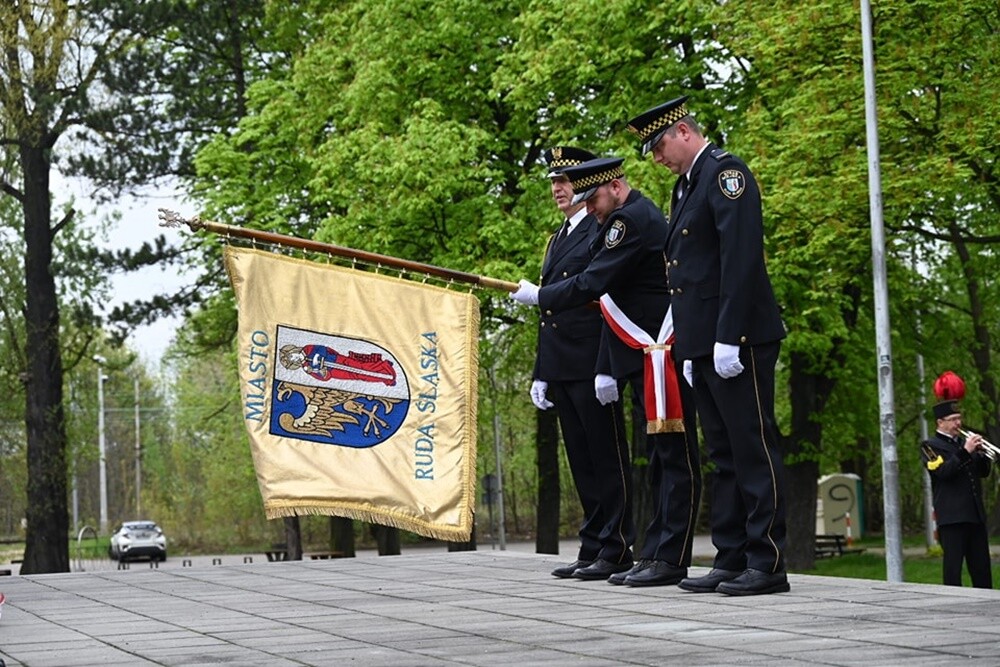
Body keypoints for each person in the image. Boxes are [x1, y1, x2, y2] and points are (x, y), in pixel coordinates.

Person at [511, 156, 702, 586]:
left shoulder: (627, 221)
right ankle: (656, 552)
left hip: (658, 352)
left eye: (592, 197)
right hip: (641, 354)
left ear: (615, 186)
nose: (590, 209)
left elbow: (592, 284)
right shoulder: (619, 218)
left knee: (672, 457)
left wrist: (540, 295)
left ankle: (666, 555)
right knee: (658, 459)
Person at [626, 96, 789, 596]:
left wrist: (727, 337)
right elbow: (688, 274)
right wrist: (691, 348)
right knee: (724, 453)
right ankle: (732, 554)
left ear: (682, 132)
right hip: (704, 343)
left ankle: (768, 562)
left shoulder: (724, 174)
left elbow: (740, 259)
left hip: (738, 339)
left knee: (753, 447)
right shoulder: (686, 186)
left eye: (658, 146)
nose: (656, 158)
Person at [532, 146, 636, 579]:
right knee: (580, 458)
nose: (559, 189)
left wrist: (606, 364)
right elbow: (548, 310)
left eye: (567, 181)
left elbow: (599, 295)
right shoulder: (558, 237)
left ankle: (617, 545)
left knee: (606, 457)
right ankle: (594, 543)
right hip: (561, 362)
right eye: (555, 182)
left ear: (589, 184)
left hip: (593, 359)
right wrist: (541, 370)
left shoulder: (601, 228)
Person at [921, 383, 994, 588]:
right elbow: (943, 472)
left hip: (974, 514)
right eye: (952, 420)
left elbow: (982, 473)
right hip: (952, 517)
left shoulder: (964, 443)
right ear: (940, 422)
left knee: (981, 568)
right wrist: (966, 452)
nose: (957, 423)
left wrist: (980, 455)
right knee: (953, 568)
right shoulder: (930, 446)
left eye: (958, 418)